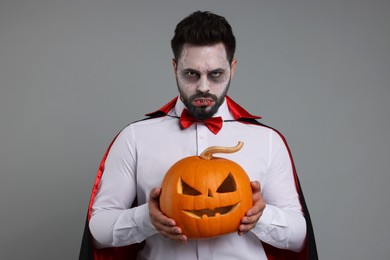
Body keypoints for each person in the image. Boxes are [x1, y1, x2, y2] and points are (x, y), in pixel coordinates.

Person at [79, 10, 318, 260]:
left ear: (232, 69)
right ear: (175, 68)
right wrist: (145, 219)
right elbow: (98, 230)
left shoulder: (268, 140)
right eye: (191, 74)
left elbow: (299, 237)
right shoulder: (134, 138)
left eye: (216, 74)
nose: (203, 86)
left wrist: (261, 216)